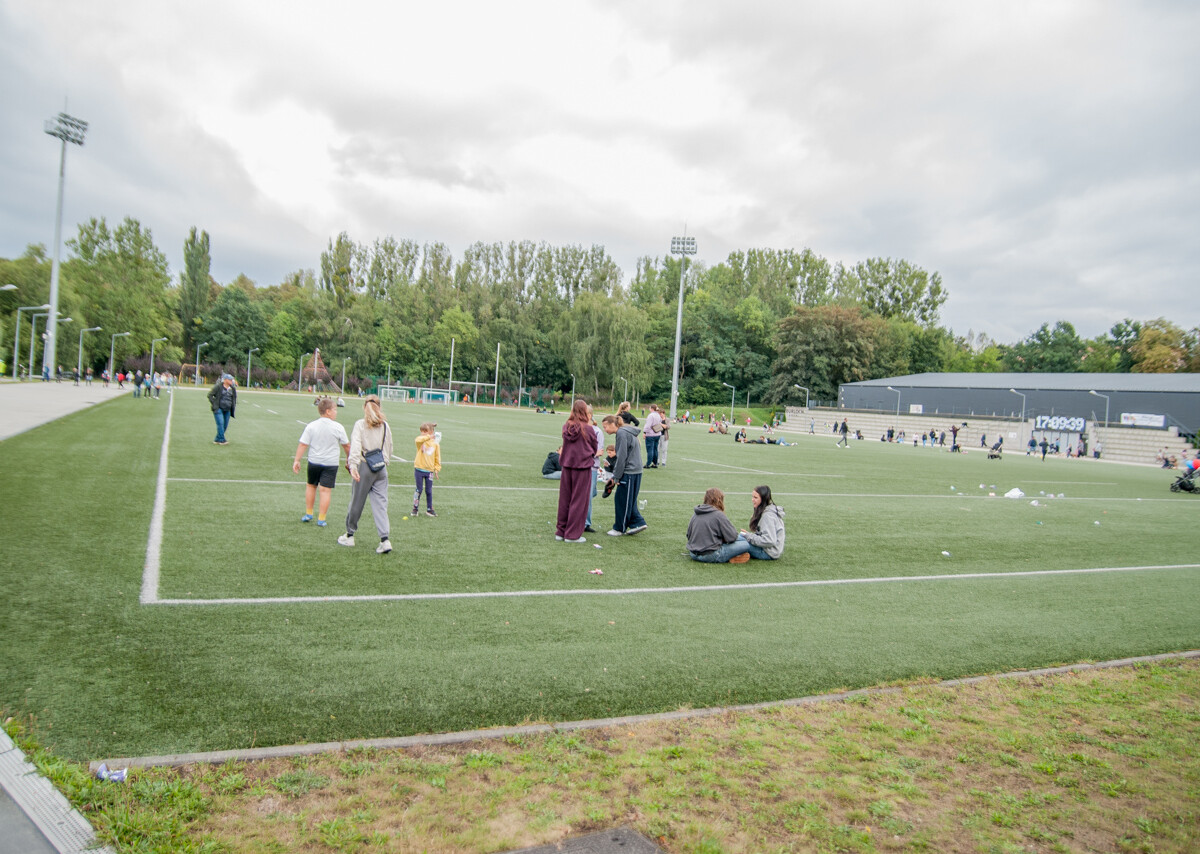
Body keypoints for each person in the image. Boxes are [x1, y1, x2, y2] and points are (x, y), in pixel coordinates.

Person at [338, 395, 394, 554]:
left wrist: (353, 466)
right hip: (380, 468)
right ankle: (385, 539)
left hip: (364, 466)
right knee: (381, 504)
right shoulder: (385, 426)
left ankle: (349, 535)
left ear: (364, 407)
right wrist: (385, 461)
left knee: (357, 501)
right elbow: (389, 447)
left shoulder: (361, 425)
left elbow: (355, 446)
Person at [293, 397, 351, 527]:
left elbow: (303, 444)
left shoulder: (311, 426)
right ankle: (321, 518)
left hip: (314, 462)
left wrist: (297, 460)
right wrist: (349, 459)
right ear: (328, 411)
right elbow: (346, 445)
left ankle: (309, 513)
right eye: (335, 409)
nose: (336, 412)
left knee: (311, 486)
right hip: (330, 464)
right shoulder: (338, 427)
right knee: (325, 491)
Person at [556, 399, 599, 543]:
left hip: (567, 465)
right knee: (579, 500)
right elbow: (594, 447)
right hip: (582, 466)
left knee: (565, 499)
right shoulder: (587, 428)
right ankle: (572, 534)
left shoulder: (566, 426)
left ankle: (561, 531)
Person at [602, 414, 647, 536]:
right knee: (629, 500)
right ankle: (638, 522)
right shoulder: (626, 431)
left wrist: (616, 476)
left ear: (612, 424)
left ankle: (619, 528)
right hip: (635, 471)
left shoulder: (622, 433)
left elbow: (621, 457)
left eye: (605, 427)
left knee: (622, 500)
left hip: (630, 472)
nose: (604, 430)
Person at [686, 488, 750, 563]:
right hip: (711, 555)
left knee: (741, 538)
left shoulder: (695, 514)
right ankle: (733, 557)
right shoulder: (718, 515)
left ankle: (734, 556)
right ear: (719, 500)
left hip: (693, 554)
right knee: (745, 544)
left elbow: (688, 535)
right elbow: (732, 537)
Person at [738, 485, 786, 560]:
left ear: (763, 499)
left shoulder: (768, 516)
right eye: (752, 497)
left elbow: (769, 541)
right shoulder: (766, 511)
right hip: (769, 550)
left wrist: (748, 536)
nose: (752, 500)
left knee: (739, 539)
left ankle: (734, 555)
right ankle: (740, 554)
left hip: (768, 553)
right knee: (740, 538)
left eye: (755, 497)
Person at [412, 422, 441, 517]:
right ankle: (415, 508)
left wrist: (437, 469)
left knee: (429, 490)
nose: (423, 433)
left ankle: (429, 509)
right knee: (418, 489)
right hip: (419, 469)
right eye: (422, 431)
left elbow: (437, 457)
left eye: (426, 431)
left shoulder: (435, 444)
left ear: (432, 431)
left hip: (429, 471)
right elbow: (417, 439)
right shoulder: (421, 441)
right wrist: (428, 436)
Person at [207, 374, 237, 444]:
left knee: (224, 426)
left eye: (231, 379)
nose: (231, 381)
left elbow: (234, 398)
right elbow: (210, 395)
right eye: (230, 379)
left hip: (227, 409)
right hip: (218, 409)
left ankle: (217, 439)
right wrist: (214, 404)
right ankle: (222, 440)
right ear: (225, 380)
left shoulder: (232, 389)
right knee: (220, 424)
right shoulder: (218, 387)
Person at [643, 403, 663, 468]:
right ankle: (655, 463)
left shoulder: (651, 415)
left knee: (650, 449)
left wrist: (644, 432)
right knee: (655, 449)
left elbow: (648, 425)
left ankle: (648, 463)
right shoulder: (658, 415)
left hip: (650, 434)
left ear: (651, 409)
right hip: (657, 433)